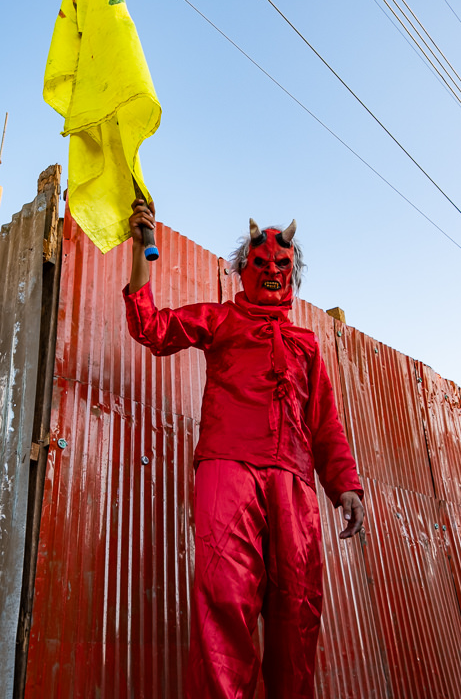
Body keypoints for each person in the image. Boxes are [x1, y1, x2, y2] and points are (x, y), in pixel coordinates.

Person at [123, 199, 364, 699]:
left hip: (294, 485)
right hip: (228, 470)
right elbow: (152, 327)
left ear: (293, 273)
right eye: (262, 263)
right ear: (244, 268)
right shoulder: (222, 318)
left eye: (282, 264)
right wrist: (137, 245)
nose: (272, 271)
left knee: (297, 614)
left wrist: (345, 487)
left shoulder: (308, 344)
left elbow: (326, 425)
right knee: (224, 604)